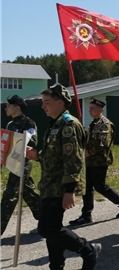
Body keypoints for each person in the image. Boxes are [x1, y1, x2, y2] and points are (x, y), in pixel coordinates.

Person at [26, 84, 101, 270]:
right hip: (50, 184)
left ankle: (87, 249)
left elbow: (73, 158)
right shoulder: (55, 124)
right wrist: (37, 155)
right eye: (42, 103)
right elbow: (53, 154)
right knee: (52, 228)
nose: (43, 106)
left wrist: (69, 190)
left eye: (47, 102)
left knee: (47, 229)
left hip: (60, 186)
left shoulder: (68, 125)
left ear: (60, 102)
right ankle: (56, 265)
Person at [70, 98, 119, 226]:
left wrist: (87, 152)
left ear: (100, 109)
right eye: (89, 108)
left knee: (100, 186)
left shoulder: (105, 124)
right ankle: (86, 214)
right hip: (89, 161)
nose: (90, 111)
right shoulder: (93, 123)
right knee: (87, 188)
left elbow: (102, 144)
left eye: (92, 108)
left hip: (100, 160)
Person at [1, 95, 41, 236]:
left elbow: (33, 142)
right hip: (12, 163)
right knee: (29, 194)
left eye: (8, 106)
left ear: (17, 107)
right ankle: (47, 221)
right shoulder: (10, 125)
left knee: (10, 196)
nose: (6, 108)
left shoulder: (28, 123)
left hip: (22, 164)